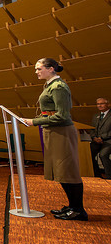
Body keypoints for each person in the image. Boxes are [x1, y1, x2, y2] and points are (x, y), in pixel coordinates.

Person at [19, 58, 87, 220]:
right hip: (53, 131)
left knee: (68, 171)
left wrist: (34, 122)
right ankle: (71, 206)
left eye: (39, 68)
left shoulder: (59, 87)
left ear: (51, 69)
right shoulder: (50, 85)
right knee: (61, 171)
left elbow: (62, 116)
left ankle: (78, 209)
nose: (36, 72)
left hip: (61, 131)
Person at [89, 97, 111, 179]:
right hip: (96, 141)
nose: (99, 105)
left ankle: (109, 176)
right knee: (88, 154)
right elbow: (92, 129)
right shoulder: (96, 116)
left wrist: (102, 137)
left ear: (108, 104)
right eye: (98, 104)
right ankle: (97, 175)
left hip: (108, 141)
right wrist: (94, 137)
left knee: (103, 154)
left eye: (102, 103)